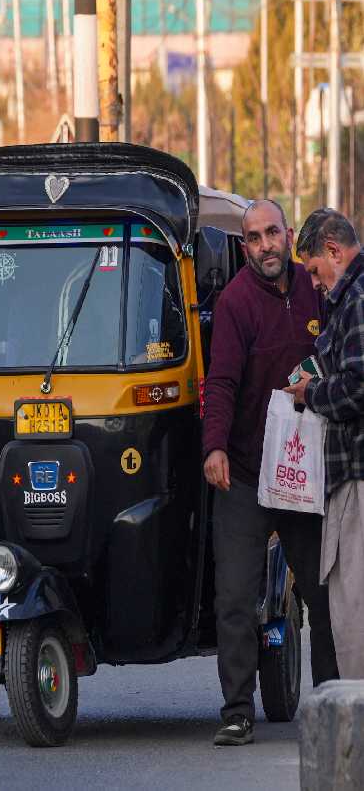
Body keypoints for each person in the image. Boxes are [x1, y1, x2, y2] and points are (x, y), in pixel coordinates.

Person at [202, 199, 338, 747]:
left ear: (288, 235)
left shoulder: (315, 289)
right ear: (245, 247)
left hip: (303, 471)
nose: (265, 246)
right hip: (245, 472)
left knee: (322, 590)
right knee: (234, 597)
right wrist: (214, 448)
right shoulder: (235, 302)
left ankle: (333, 702)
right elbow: (221, 382)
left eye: (273, 234)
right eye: (254, 238)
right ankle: (237, 711)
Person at [284, 208, 364, 678]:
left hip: (356, 475)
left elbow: (358, 385)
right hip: (346, 475)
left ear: (333, 250)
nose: (312, 283)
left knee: (353, 612)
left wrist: (310, 392)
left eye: (314, 270)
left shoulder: (356, 298)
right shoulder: (347, 299)